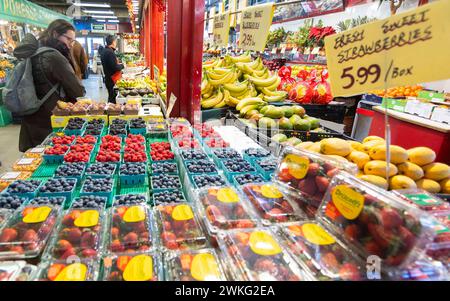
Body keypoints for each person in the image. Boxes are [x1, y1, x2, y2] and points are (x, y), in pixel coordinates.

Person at [13, 19, 85, 152]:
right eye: (68, 39)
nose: (70, 45)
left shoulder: (35, 51)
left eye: (72, 41)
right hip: (49, 121)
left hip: (31, 119)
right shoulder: (54, 57)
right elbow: (77, 91)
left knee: (36, 160)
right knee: (52, 158)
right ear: (55, 34)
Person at [101, 35, 123, 103]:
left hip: (108, 78)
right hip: (111, 79)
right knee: (112, 98)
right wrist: (122, 65)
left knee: (111, 96)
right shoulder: (110, 52)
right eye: (115, 41)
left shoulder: (105, 51)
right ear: (113, 42)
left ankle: (110, 110)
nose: (116, 43)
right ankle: (111, 111)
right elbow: (115, 67)